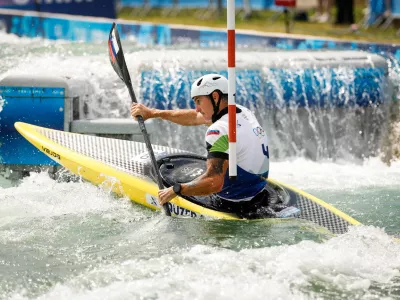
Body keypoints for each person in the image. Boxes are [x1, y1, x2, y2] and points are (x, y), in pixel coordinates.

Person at [131, 73, 285, 219]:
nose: (197, 108)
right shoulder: (243, 113)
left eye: (198, 101)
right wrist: (153, 113)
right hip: (258, 193)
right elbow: (194, 117)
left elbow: (214, 183)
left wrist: (176, 189)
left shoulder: (218, 131)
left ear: (215, 97)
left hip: (233, 204)